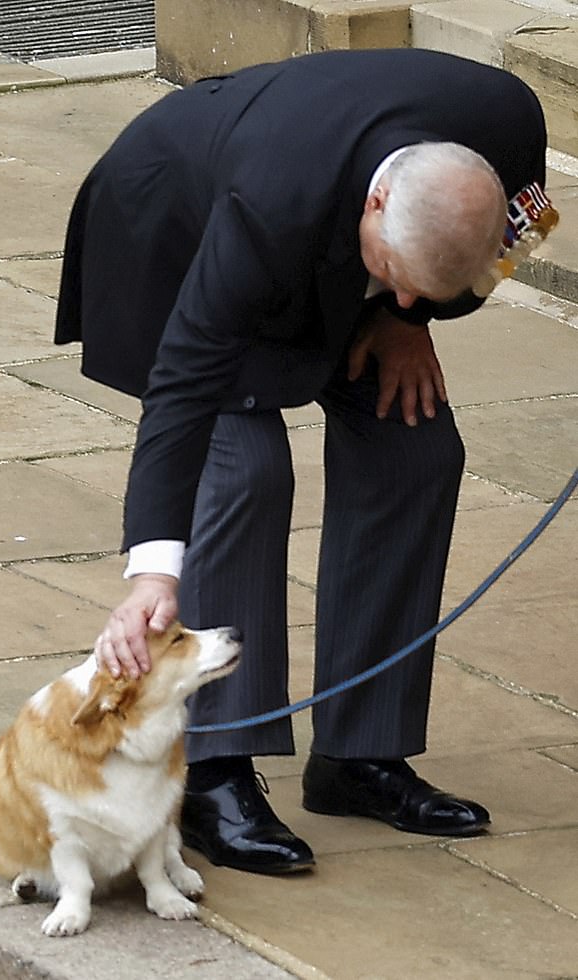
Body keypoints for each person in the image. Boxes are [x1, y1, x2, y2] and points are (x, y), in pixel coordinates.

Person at [55, 48, 547, 875]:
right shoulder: (268, 199)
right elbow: (182, 387)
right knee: (244, 467)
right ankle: (212, 772)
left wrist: (409, 323)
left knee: (416, 449)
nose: (404, 297)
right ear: (379, 203)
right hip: (173, 237)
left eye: (421, 290)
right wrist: (152, 572)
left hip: (329, 255)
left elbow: (521, 236)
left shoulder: (510, 124)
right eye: (395, 280)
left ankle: (362, 755)